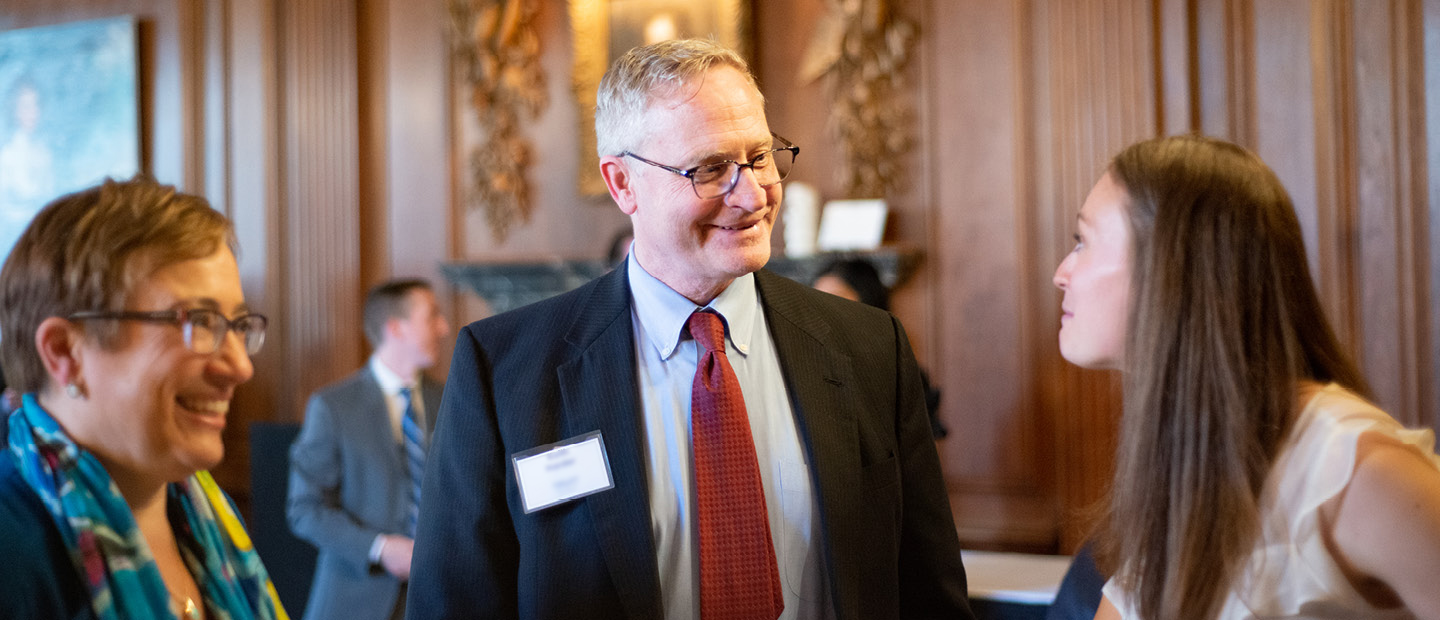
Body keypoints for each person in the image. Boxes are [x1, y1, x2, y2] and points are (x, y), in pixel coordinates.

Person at [407, 39, 973, 619]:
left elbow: (929, 595)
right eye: (709, 168)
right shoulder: (506, 369)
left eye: (760, 156)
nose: (752, 194)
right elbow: (455, 604)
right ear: (623, 183)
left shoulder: (870, 348)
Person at [1051, 135, 1440, 619]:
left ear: (1170, 267)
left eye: (1082, 241)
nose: (1061, 274)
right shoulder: (1188, 460)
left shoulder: (1356, 470)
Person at [0, 176, 285, 619]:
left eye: (239, 325)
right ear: (64, 352)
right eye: (200, 321)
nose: (240, 367)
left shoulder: (207, 516)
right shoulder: (12, 548)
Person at [287, 279, 449, 620]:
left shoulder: (451, 399)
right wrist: (382, 548)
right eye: (432, 317)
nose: (444, 328)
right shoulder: (333, 407)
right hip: (356, 600)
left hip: (443, 595)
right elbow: (305, 509)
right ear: (396, 328)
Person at [812, 258, 948, 439]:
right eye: (816, 301)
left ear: (867, 303)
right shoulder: (808, 368)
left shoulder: (900, 373)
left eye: (834, 299)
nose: (823, 311)